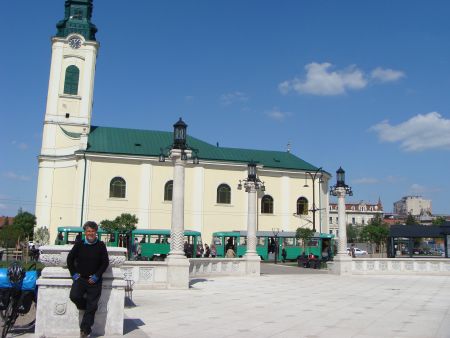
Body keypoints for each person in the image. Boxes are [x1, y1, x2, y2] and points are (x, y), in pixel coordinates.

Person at [67, 221, 109, 338]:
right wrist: (74, 274)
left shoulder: (101, 245)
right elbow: (70, 259)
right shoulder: (79, 244)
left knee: (92, 305)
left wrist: (96, 276)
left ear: (96, 232)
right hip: (80, 279)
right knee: (74, 296)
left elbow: (105, 263)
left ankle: (85, 331)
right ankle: (84, 306)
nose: (90, 233)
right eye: (88, 231)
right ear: (85, 232)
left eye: (93, 231)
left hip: (95, 281)